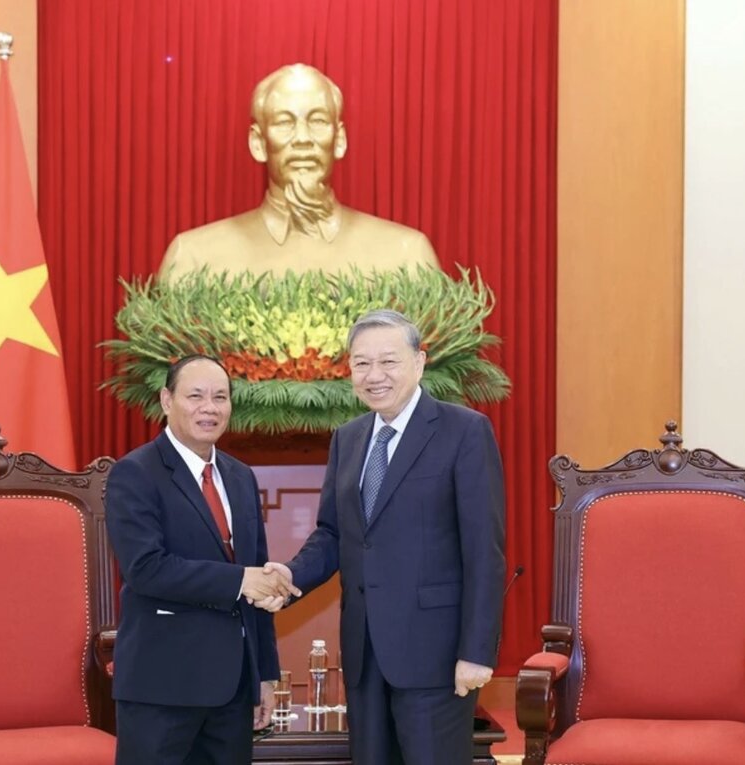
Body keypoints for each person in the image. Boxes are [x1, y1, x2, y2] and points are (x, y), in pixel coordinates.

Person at [263, 310, 506, 765]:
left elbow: (484, 551)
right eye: (361, 363)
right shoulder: (348, 439)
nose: (375, 375)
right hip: (364, 653)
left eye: (389, 362)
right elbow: (334, 533)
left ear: (419, 362)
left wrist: (476, 652)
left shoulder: (464, 431)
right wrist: (290, 574)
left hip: (437, 657)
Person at [105, 354, 300, 765]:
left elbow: (258, 575)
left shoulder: (241, 476)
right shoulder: (135, 473)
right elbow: (146, 568)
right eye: (195, 396)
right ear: (166, 400)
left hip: (231, 692)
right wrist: (238, 581)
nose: (209, 408)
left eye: (220, 397)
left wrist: (264, 675)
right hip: (162, 688)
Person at [158, 64, 440, 279]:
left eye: (317, 120)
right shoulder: (194, 258)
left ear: (339, 139)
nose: (303, 138)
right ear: (258, 143)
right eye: (284, 122)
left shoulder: (406, 256)